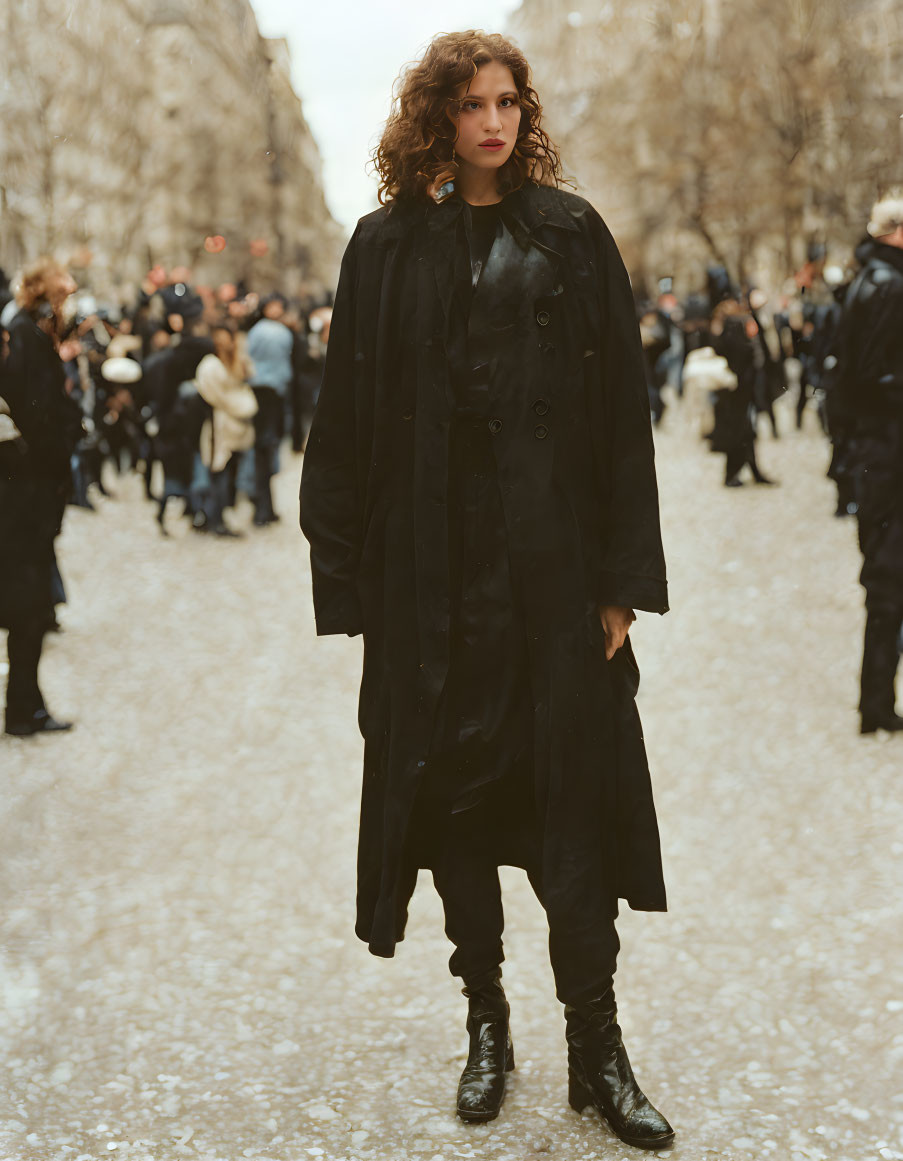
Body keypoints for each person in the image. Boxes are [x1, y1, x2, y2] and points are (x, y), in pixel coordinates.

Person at [300, 31, 674, 1150]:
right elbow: (348, 420)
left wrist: (621, 583)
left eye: (508, 101)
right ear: (436, 118)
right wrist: (350, 576)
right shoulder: (385, 249)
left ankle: (598, 1049)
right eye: (470, 105)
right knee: (455, 802)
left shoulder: (569, 233)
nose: (494, 122)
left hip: (551, 580)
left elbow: (622, 423)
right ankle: (486, 1018)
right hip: (435, 584)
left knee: (577, 807)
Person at [833, 193, 903, 734]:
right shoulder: (887, 286)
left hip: (875, 451)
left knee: (886, 579)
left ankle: (876, 702)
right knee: (888, 582)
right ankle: (875, 704)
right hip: (887, 452)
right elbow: (875, 377)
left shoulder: (869, 281)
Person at [0, 257, 78, 735]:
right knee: (26, 618)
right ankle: (24, 711)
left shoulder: (25, 336)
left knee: (29, 615)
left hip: (24, 507)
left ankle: (25, 708)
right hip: (19, 512)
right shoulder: (23, 336)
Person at [195, 324, 258, 536]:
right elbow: (217, 396)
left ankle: (215, 515)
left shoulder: (235, 362)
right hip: (220, 428)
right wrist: (239, 405)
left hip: (236, 429)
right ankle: (213, 518)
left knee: (228, 475)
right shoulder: (210, 366)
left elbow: (244, 381)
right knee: (218, 474)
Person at [247, 293, 293, 525]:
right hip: (270, 395)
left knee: (263, 452)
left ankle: (263, 506)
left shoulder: (258, 332)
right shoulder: (280, 332)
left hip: (263, 394)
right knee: (266, 451)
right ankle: (263, 507)